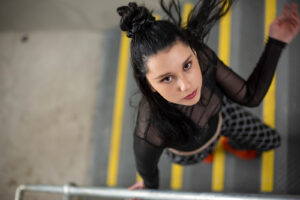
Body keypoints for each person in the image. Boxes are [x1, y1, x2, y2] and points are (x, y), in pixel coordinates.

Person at [116, 0, 300, 192]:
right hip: (191, 150)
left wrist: (277, 42)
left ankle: (233, 145)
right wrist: (148, 189)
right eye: (167, 78)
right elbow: (149, 172)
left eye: (187, 65)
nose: (186, 86)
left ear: (194, 53)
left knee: (271, 140)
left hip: (222, 116)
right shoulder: (150, 131)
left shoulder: (202, 58)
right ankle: (209, 152)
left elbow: (249, 96)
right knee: (204, 153)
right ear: (149, 84)